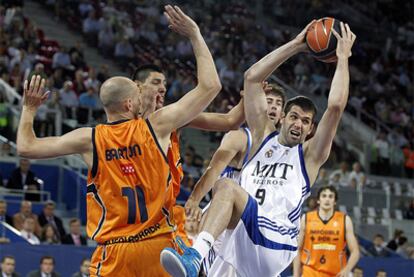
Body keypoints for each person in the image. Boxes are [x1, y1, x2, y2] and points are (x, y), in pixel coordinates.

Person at [16, 5, 222, 276]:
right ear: (128, 103)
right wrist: (194, 34)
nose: (142, 99)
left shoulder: (88, 139)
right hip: (157, 245)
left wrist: (29, 109)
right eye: (137, 95)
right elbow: (211, 86)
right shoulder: (156, 126)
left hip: (114, 252)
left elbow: (25, 147)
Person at [161, 21, 356, 277]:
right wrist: (296, 45)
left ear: (311, 130)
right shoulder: (260, 138)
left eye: (306, 122)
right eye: (295, 117)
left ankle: (195, 255)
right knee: (224, 198)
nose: (299, 124)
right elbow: (252, 78)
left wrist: (342, 59)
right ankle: (198, 257)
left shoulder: (310, 156)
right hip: (244, 235)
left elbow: (335, 107)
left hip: (276, 241)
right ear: (283, 118)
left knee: (226, 187)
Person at [185, 83, 286, 275]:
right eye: (268, 101)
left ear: (282, 115)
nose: (272, 106)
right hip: (227, 221)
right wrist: (194, 199)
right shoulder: (240, 137)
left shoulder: (285, 150)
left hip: (259, 225)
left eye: (278, 103)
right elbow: (213, 171)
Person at [293, 186, 360, 277]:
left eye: (330, 196)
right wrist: (296, 274)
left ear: (335, 201)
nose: (327, 199)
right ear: (318, 200)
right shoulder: (306, 218)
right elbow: (297, 249)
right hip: (310, 272)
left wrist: (347, 269)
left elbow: (355, 251)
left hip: (335, 273)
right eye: (324, 196)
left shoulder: (345, 220)